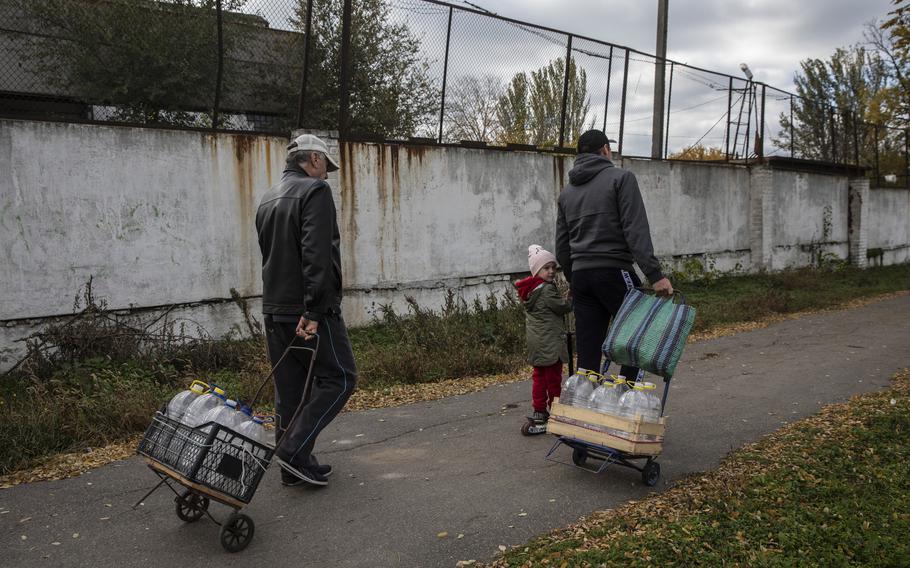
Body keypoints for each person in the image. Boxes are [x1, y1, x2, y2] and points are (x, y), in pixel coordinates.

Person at [255, 133, 358, 487]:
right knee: (341, 378)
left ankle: (293, 467)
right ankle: (294, 450)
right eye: (324, 166)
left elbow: (269, 255)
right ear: (313, 160)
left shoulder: (268, 198)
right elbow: (317, 255)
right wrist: (315, 311)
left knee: (291, 391)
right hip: (308, 310)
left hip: (274, 310)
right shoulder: (315, 192)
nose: (326, 174)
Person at [555, 129, 673, 381]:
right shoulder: (621, 179)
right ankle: (626, 400)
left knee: (588, 352)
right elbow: (635, 230)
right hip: (614, 271)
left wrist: (572, 279)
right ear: (605, 150)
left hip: (581, 278)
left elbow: (562, 246)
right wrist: (655, 275)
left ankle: (585, 410)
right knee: (637, 335)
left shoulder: (566, 193)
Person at [514, 245, 573, 429]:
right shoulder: (546, 290)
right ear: (536, 270)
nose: (551, 272)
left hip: (536, 344)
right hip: (550, 344)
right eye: (546, 268)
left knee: (539, 377)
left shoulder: (529, 291)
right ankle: (556, 409)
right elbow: (562, 307)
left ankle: (539, 410)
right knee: (554, 378)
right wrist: (571, 299)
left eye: (553, 268)